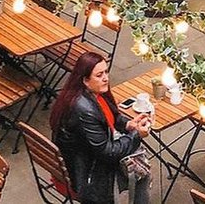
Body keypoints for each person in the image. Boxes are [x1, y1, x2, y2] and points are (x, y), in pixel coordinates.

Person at [50, 51, 152, 204]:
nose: (105, 78)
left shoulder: (92, 94)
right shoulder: (84, 110)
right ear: (85, 80)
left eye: (106, 72)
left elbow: (112, 117)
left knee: (138, 162)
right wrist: (136, 135)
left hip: (80, 162)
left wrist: (128, 124)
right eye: (99, 75)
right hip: (89, 177)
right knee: (141, 172)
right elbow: (108, 151)